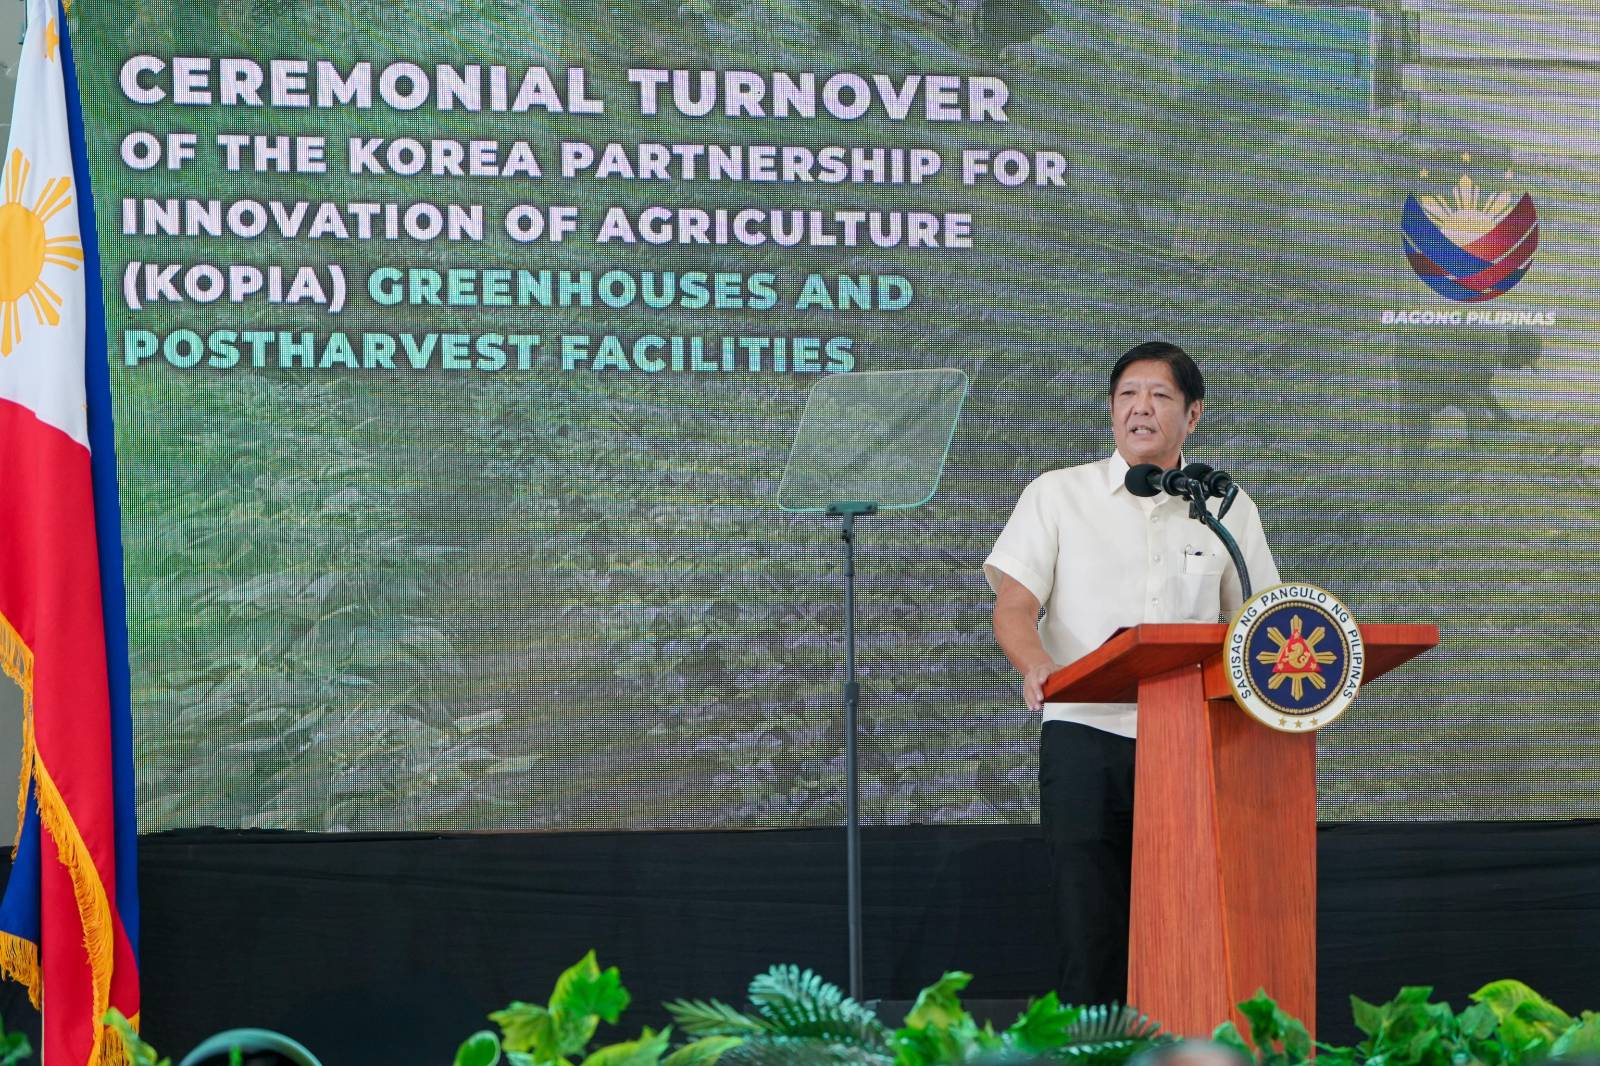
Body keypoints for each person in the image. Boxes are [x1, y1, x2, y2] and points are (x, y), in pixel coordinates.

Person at [984, 340, 1278, 1005]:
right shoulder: (1058, 494)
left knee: (1191, 931)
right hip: (1086, 735)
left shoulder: (1227, 508)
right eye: (1127, 395)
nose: (1140, 408)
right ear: (1111, 409)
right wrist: (1038, 666)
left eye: (1160, 396)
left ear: (1193, 415)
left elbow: (1259, 626)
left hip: (1192, 745)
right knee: (1091, 937)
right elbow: (1014, 605)